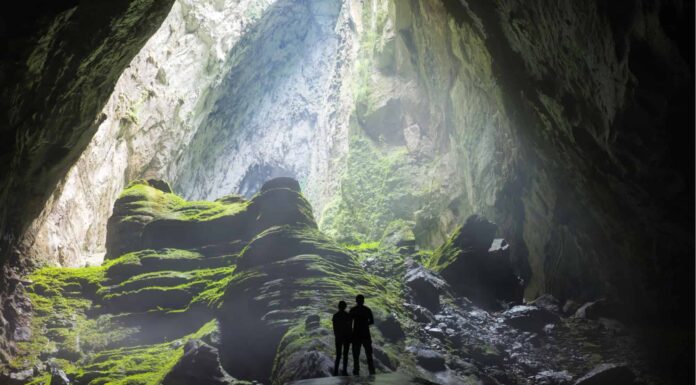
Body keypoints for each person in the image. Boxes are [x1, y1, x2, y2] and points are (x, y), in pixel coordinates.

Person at [349, 294, 375, 375]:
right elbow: (371, 321)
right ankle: (371, 371)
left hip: (356, 335)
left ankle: (356, 372)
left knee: (356, 355)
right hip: (365, 334)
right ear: (363, 301)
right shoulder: (367, 310)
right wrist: (365, 324)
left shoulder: (353, 310)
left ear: (356, 301)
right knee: (369, 354)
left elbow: (349, 322)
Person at [332, 300, 351, 376]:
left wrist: (337, 336)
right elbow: (350, 327)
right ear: (345, 307)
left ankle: (336, 372)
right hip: (346, 337)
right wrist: (350, 336)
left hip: (339, 338)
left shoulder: (335, 315)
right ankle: (344, 371)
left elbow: (334, 328)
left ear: (338, 307)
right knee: (345, 355)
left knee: (338, 355)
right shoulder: (347, 315)